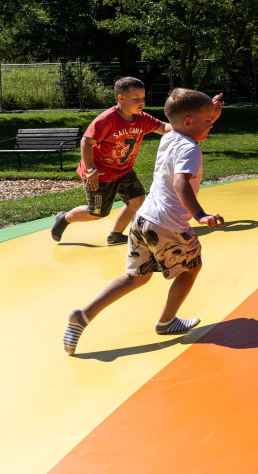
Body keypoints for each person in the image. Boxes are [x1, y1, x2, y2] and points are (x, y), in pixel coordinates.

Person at [62, 88, 225, 355]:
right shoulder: (190, 149)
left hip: (143, 220)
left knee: (135, 278)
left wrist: (210, 114)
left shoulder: (170, 137)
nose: (211, 125)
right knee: (191, 268)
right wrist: (200, 215)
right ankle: (167, 321)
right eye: (208, 121)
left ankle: (84, 314)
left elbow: (185, 127)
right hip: (168, 224)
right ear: (188, 122)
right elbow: (181, 183)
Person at [51, 77, 164, 245]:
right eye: (136, 99)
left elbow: (164, 128)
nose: (141, 102)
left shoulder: (142, 118)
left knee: (137, 200)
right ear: (121, 98)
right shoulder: (107, 119)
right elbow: (86, 142)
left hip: (123, 170)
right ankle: (64, 218)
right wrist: (91, 170)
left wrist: (190, 126)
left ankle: (116, 235)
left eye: (143, 98)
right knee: (97, 213)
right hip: (99, 173)